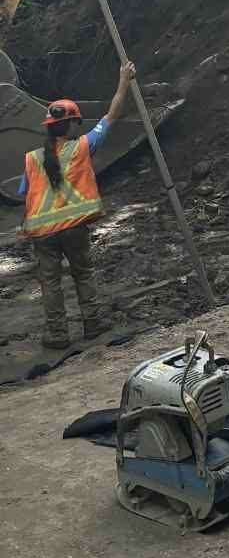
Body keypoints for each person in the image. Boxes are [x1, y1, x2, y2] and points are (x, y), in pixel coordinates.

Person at [6, 61, 136, 348]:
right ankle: (92, 323)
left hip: (42, 234)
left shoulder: (32, 159)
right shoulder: (82, 147)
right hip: (74, 228)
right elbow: (111, 116)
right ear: (73, 124)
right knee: (83, 274)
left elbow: (22, 194)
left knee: (50, 284)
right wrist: (124, 80)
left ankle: (56, 334)